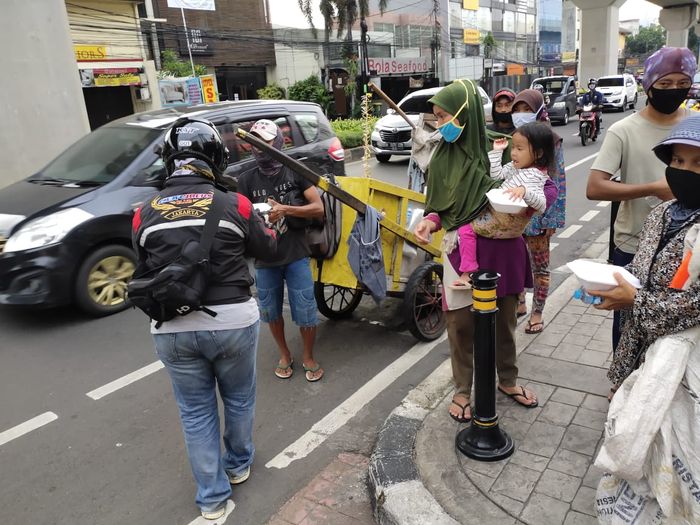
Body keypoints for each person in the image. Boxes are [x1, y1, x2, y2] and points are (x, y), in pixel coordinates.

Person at [132, 117, 277, 520]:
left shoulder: (143, 212)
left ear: (169, 160)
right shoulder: (238, 204)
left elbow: (143, 267)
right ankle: (238, 464)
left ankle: (212, 498)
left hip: (171, 328)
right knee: (239, 397)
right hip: (233, 321)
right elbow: (265, 250)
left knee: (195, 412)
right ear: (216, 159)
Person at [412, 79, 557, 422]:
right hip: (461, 251)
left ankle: (507, 380)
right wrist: (429, 222)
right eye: (436, 117)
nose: (441, 124)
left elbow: (544, 184)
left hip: (504, 252)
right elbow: (441, 205)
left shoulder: (504, 147)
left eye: (446, 115)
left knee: (504, 324)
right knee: (460, 325)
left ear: (466, 113)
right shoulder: (443, 158)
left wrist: (534, 206)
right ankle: (463, 389)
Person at [586, 46, 696, 353]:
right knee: (626, 320)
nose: (674, 90)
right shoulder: (624, 130)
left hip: (687, 249)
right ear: (649, 85)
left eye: (682, 83)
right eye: (665, 84)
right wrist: (651, 188)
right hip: (633, 245)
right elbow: (595, 187)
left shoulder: (695, 125)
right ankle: (620, 385)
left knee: (674, 324)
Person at [589, 115, 700, 396]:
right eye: (678, 161)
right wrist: (611, 285)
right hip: (636, 352)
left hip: (679, 368)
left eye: (698, 163)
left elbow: (695, 306)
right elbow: (639, 271)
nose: (684, 170)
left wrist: (635, 301)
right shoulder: (661, 213)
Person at [236, 119, 325, 382]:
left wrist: (286, 209)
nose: (259, 148)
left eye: (264, 141)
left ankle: (308, 355)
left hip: (296, 254)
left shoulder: (295, 171)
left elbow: (318, 208)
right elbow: (241, 218)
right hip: (265, 259)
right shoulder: (246, 180)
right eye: (254, 142)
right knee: (270, 311)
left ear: (277, 143)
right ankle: (285, 354)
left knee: (306, 310)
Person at [453, 123, 554, 285]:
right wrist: (497, 151)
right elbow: (497, 176)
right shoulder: (515, 167)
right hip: (506, 224)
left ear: (539, 153)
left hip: (506, 224)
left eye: (520, 149)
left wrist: (524, 191)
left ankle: (468, 272)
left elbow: (541, 205)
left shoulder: (535, 175)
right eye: (513, 148)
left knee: (465, 230)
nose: (513, 153)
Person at [511, 89, 567, 334]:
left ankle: (538, 312)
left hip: (539, 219)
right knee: (516, 263)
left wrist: (551, 219)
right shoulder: (516, 139)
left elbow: (558, 182)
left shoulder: (551, 141)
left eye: (526, 109)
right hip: (513, 216)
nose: (521, 115)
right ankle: (520, 302)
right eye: (517, 110)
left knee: (540, 268)